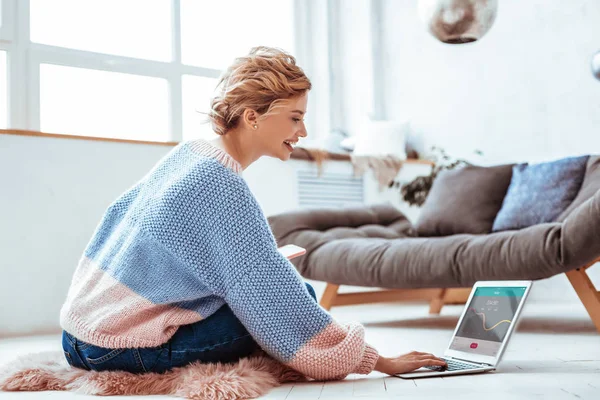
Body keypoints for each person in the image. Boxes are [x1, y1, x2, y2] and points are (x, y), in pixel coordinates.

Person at [60, 46, 447, 380]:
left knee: (274, 296)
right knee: (296, 299)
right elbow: (272, 298)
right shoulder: (222, 185)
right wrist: (378, 361)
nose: (304, 131)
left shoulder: (188, 155)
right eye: (295, 117)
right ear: (252, 116)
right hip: (119, 349)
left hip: (76, 335)